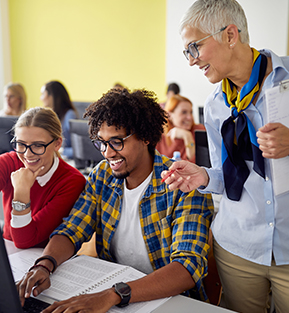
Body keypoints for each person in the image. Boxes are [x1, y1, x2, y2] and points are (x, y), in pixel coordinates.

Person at [17, 88, 214, 312]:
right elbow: (72, 229)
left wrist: (113, 295)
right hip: (117, 297)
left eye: (117, 142)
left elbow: (187, 268)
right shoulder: (103, 174)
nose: (107, 153)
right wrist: (45, 264)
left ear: (146, 137)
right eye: (101, 142)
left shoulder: (182, 184)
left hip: (168, 301)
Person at [162, 0, 289, 312]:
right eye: (186, 52)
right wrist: (204, 176)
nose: (191, 61)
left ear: (230, 35)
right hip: (237, 248)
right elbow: (228, 174)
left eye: (194, 48)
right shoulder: (217, 105)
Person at [0, 107, 86, 249]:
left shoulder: (72, 181)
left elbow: (24, 241)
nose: (27, 154)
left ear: (57, 144)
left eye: (38, 145)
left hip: (41, 258)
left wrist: (21, 192)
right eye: (21, 144)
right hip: (8, 254)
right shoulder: (9, 162)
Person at [156, 94, 205, 163]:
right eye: (184, 112)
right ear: (169, 115)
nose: (189, 117)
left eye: (191, 112)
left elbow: (197, 165)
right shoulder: (159, 137)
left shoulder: (199, 130)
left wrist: (187, 136)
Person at [40, 80, 78, 159]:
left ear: (51, 96)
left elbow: (78, 149)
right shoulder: (50, 116)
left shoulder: (69, 115)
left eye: (43, 94)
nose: (41, 98)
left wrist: (61, 150)